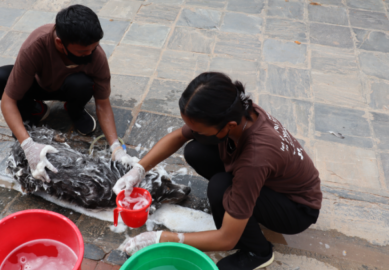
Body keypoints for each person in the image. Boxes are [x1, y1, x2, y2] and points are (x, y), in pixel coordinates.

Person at [113, 72, 322, 270]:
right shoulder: (236, 110)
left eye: (198, 129)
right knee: (195, 150)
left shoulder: (255, 158)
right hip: (269, 182)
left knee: (220, 188)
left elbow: (226, 239)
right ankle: (239, 209)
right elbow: (179, 136)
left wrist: (161, 239)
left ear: (229, 125)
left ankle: (258, 252)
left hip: (295, 209)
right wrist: (138, 170)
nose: (191, 131)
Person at [0, 5, 132, 182]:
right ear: (59, 43)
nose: (89, 54)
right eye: (81, 52)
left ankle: (75, 110)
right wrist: (28, 145)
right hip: (40, 84)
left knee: (84, 84)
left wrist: (116, 147)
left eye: (92, 49)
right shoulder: (36, 45)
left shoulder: (96, 57)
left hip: (70, 87)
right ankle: (35, 109)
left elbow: (102, 103)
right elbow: (8, 101)